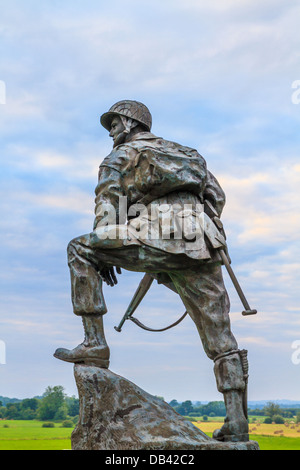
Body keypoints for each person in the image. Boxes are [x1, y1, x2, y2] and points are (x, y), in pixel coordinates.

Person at [54, 100, 249, 442]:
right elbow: (215, 197)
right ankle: (237, 421)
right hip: (200, 242)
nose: (112, 132)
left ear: (130, 124)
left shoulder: (120, 155)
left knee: (79, 248)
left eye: (114, 124)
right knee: (221, 337)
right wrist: (200, 228)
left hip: (152, 234)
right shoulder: (190, 154)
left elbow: (108, 202)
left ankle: (95, 343)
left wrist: (104, 250)